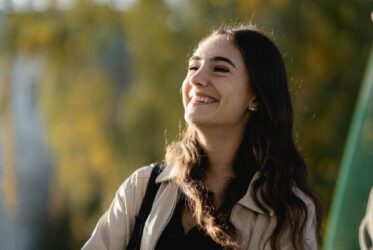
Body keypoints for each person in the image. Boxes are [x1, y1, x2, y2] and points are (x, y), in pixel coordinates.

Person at [82, 24, 322, 250]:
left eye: (220, 69)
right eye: (193, 67)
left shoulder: (287, 212)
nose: (196, 79)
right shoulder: (141, 188)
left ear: (256, 97)